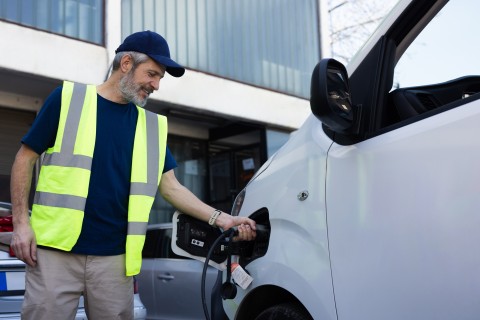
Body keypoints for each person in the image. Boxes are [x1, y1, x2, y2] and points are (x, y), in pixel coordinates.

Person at [10, 30, 256, 320]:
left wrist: (223, 218)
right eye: (152, 74)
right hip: (54, 252)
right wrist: (21, 224)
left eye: (160, 78)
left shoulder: (151, 126)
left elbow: (172, 188)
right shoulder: (67, 99)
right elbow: (24, 159)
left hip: (115, 260)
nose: (156, 85)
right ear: (126, 63)